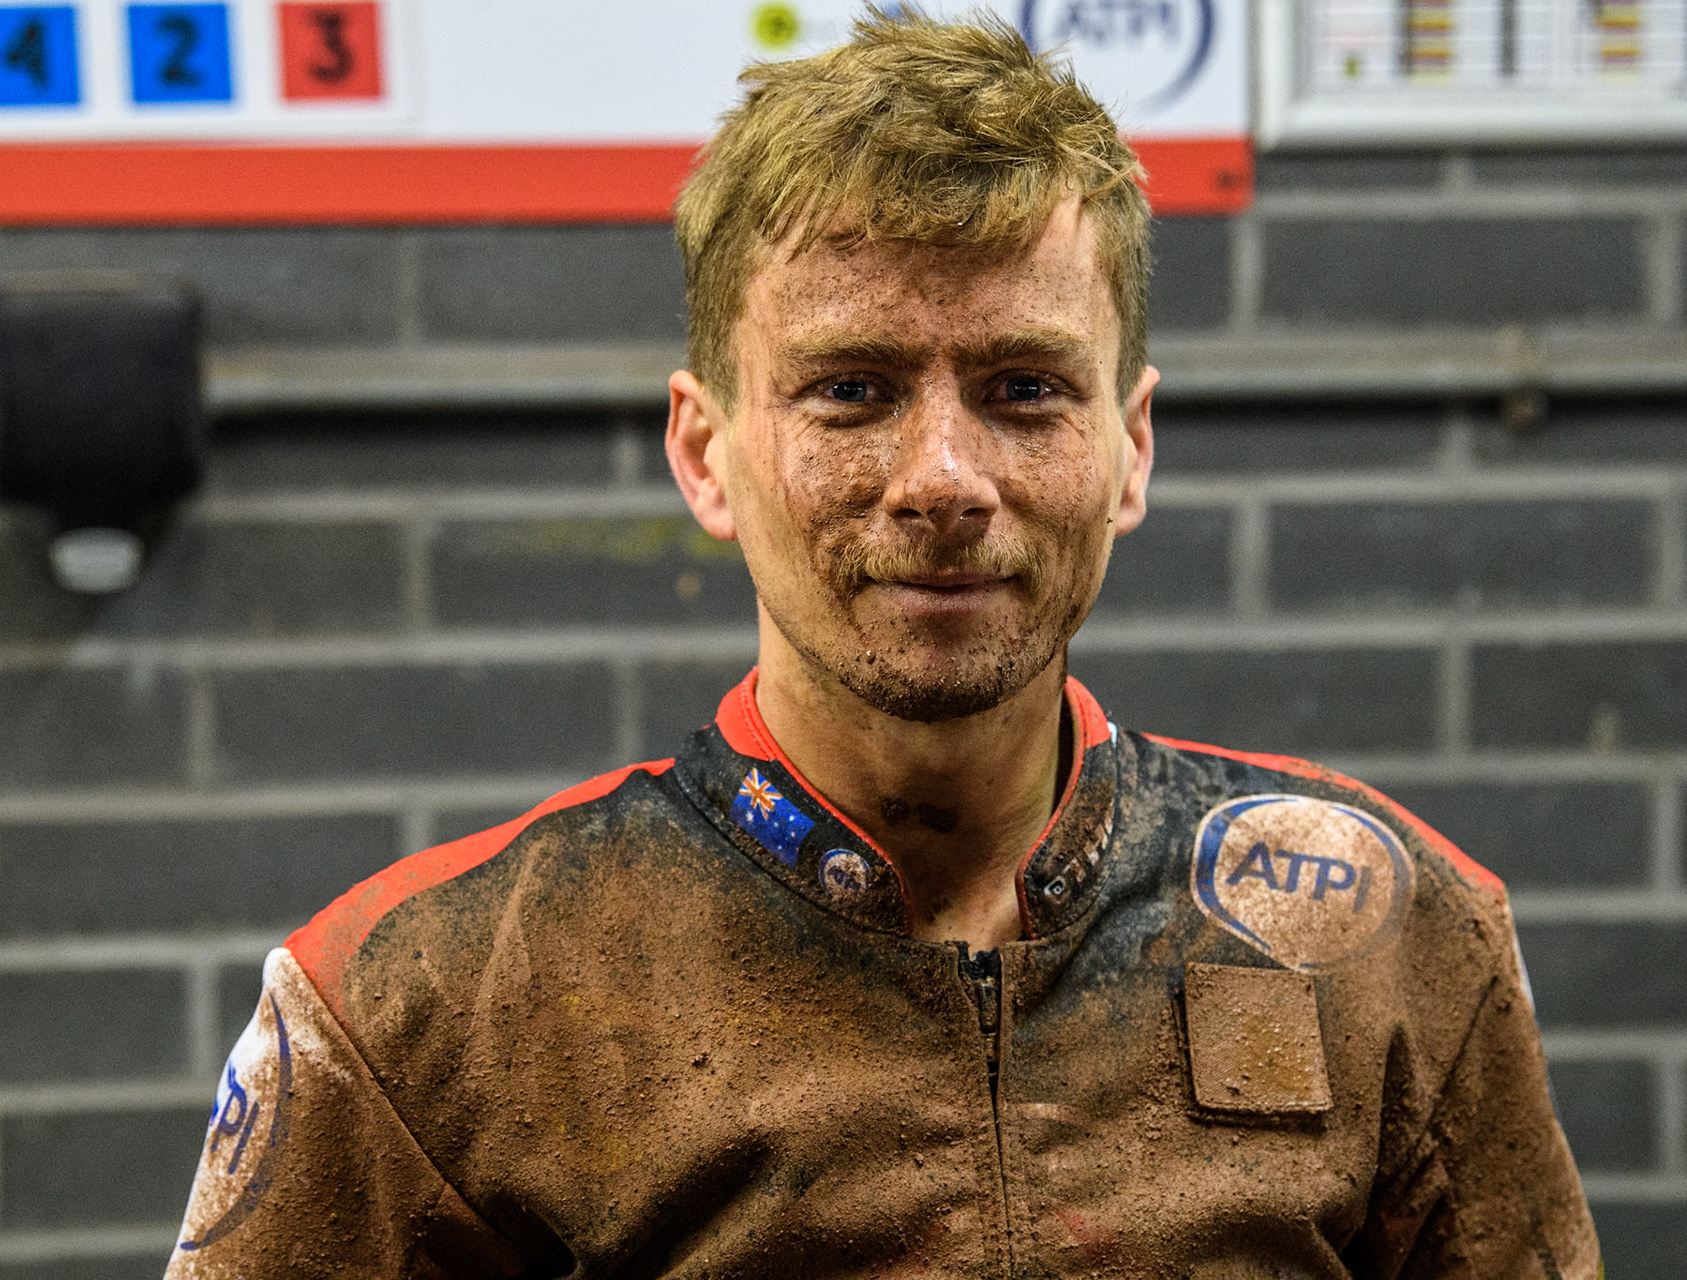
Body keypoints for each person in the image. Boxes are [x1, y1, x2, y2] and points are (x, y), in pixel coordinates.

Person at [167, 10, 1600, 1277]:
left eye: (1025, 388)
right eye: (850, 390)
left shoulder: (1387, 928)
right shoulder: (423, 1004)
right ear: (706, 452)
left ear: (1132, 447)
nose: (943, 478)